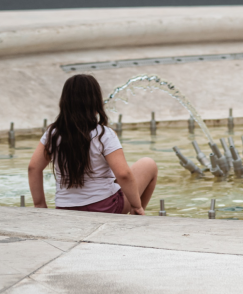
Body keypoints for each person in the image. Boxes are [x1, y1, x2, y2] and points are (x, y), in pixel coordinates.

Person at [27, 74, 158, 214]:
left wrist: (40, 205)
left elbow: (33, 168)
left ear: (64, 102)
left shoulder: (53, 134)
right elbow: (123, 174)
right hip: (106, 207)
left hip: (65, 208)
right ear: (96, 102)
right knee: (148, 164)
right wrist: (136, 205)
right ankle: (136, 214)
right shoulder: (103, 134)